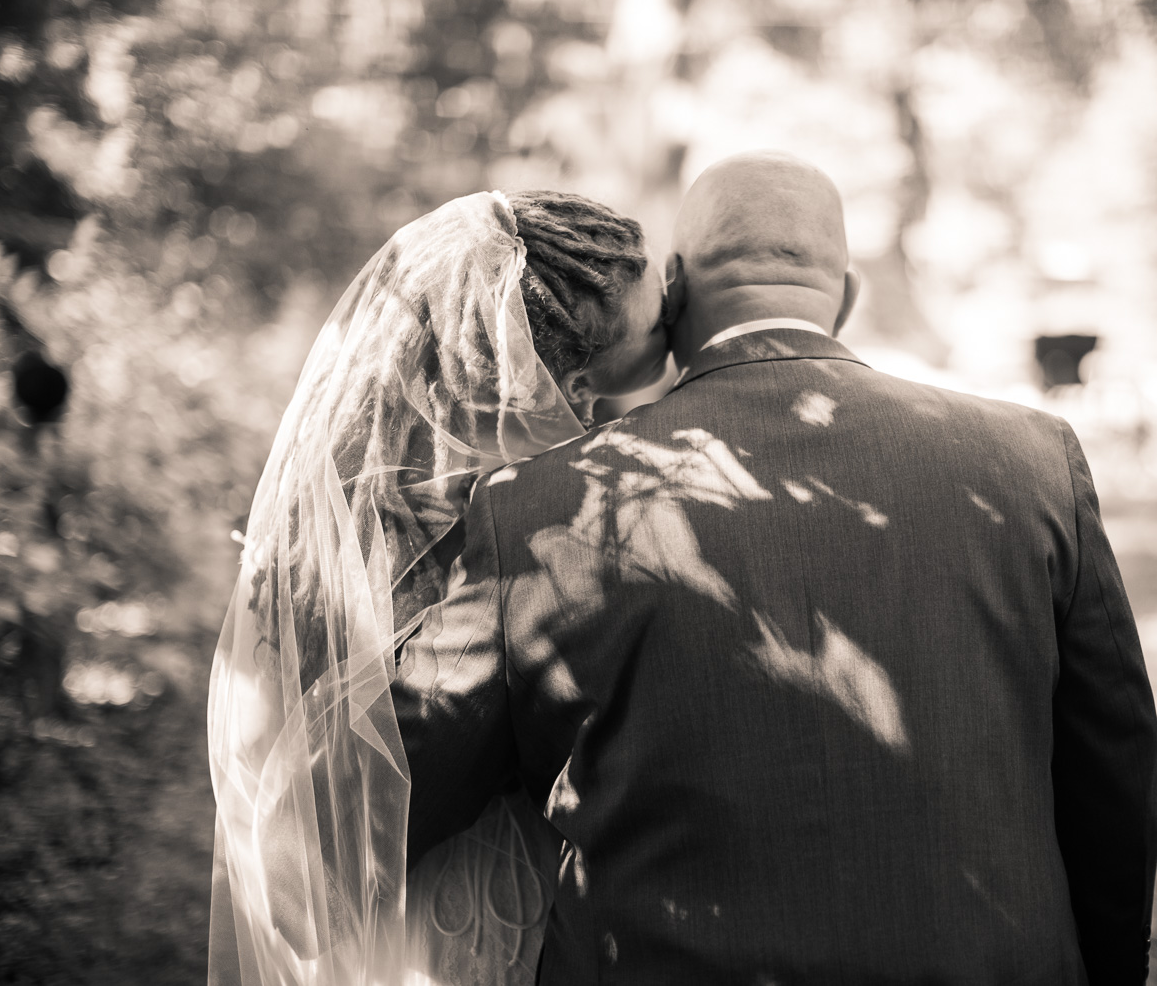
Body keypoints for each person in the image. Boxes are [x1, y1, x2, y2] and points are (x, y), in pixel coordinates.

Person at [391, 151, 1157, 983]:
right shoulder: (1034, 458)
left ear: (674, 289)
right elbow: (1117, 776)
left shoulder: (541, 506)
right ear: (849, 296)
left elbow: (387, 800)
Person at [206, 188, 671, 986]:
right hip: (460, 939)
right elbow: (306, 871)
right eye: (609, 390)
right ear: (558, 387)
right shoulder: (513, 548)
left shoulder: (355, 510)